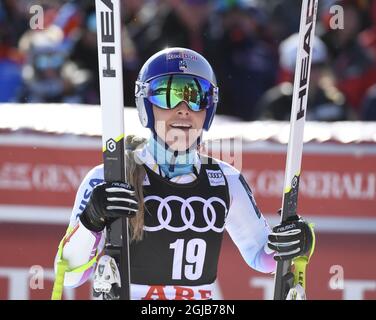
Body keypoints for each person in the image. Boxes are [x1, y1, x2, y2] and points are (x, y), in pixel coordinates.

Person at [54, 47, 314, 300]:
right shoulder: (109, 177)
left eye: (196, 96)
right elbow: (70, 275)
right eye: (167, 95)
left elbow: (263, 257)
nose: (183, 108)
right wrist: (91, 221)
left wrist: (297, 241)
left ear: (208, 109)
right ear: (146, 105)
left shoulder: (225, 179)